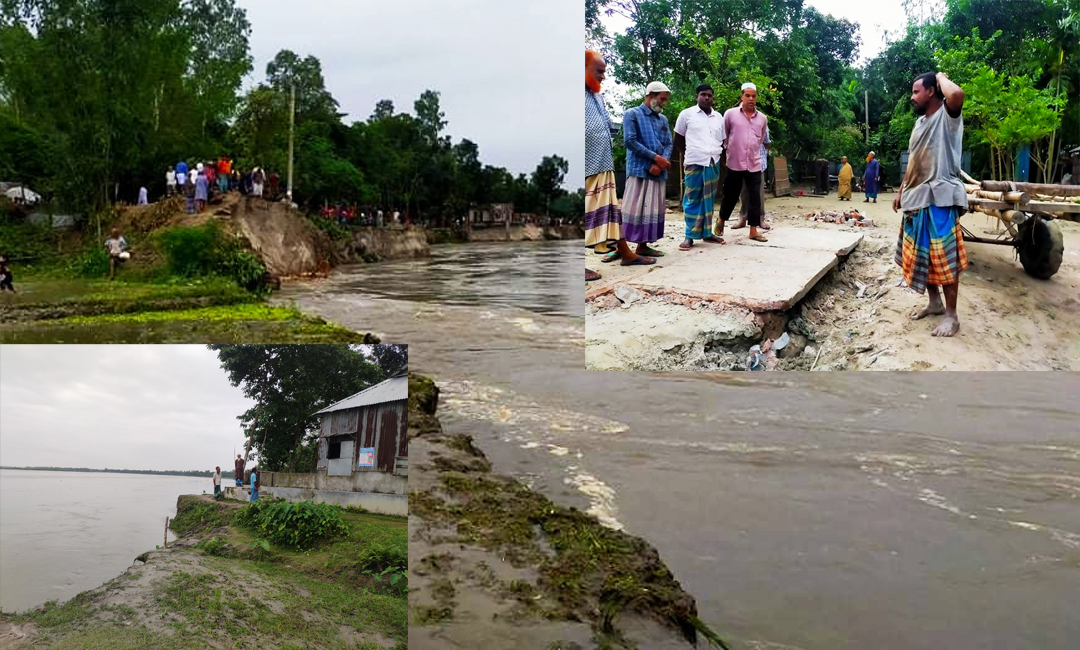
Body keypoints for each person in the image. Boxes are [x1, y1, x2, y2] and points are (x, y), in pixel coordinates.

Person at [893, 71, 968, 338]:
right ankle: (934, 303)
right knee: (923, 256)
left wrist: (940, 75)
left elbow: (957, 94)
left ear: (932, 91)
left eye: (916, 91)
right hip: (916, 198)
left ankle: (952, 316)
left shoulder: (947, 118)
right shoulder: (919, 124)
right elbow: (913, 159)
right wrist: (901, 190)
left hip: (940, 198)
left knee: (943, 258)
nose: (912, 97)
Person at [604, 80, 672, 266]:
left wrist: (661, 162)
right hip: (639, 170)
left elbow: (669, 143)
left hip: (658, 172)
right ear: (650, 95)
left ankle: (642, 246)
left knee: (651, 210)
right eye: (662, 99)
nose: (664, 103)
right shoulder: (632, 114)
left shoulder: (663, 119)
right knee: (630, 210)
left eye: (666, 100)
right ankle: (621, 248)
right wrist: (655, 158)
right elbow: (630, 141)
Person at [584, 51, 629, 280]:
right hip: (584, 165)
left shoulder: (597, 96)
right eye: (599, 71)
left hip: (603, 161)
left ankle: (624, 252)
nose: (603, 77)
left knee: (610, 209)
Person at [674, 84, 725, 251]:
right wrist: (692, 152)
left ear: (713, 98)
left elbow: (723, 140)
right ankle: (689, 235)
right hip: (694, 162)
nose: (706, 98)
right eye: (703, 94)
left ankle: (707, 233)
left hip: (713, 162)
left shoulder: (719, 117)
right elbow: (678, 139)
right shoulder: (686, 114)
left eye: (710, 95)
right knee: (692, 199)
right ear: (697, 96)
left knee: (709, 200)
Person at [715, 82, 769, 243]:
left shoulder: (762, 119)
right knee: (730, 195)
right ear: (741, 96)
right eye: (747, 95)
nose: (750, 98)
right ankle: (721, 220)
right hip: (734, 163)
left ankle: (753, 231)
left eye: (753, 96)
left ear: (756, 98)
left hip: (754, 163)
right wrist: (730, 151)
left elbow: (760, 140)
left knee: (754, 198)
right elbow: (724, 136)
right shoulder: (730, 114)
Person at [733, 123, 771, 230]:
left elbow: (767, 142)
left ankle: (760, 219)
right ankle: (743, 218)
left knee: (758, 193)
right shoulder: (738, 122)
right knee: (743, 192)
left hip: (758, 163)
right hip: (741, 163)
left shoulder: (761, 122)